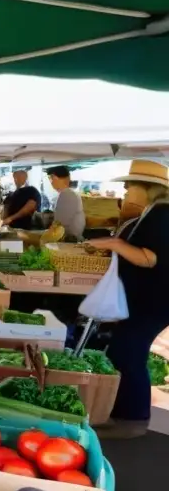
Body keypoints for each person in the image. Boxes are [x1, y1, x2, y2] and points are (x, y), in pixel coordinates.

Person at [85, 160, 169, 438]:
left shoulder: (162, 214)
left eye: (129, 184)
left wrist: (113, 244)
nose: (125, 188)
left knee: (130, 354)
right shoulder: (153, 212)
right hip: (146, 299)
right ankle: (121, 415)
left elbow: (150, 258)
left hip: (154, 301)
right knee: (124, 352)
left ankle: (133, 421)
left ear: (148, 189)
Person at [46, 165, 86, 239]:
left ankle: (17, 248)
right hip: (67, 238)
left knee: (20, 235)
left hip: (68, 240)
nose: (51, 183)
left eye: (50, 179)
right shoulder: (69, 193)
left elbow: (59, 225)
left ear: (53, 177)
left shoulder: (67, 194)